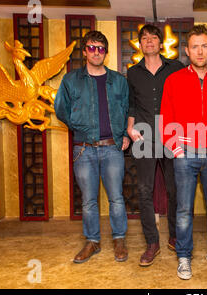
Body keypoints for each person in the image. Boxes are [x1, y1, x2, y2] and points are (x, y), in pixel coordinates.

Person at [159, 24, 207, 280]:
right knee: (184, 209)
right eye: (195, 46)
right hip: (185, 154)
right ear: (187, 50)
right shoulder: (174, 80)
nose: (200, 51)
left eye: (205, 45)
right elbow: (166, 117)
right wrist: (177, 149)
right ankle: (184, 256)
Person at [54, 30, 130, 264]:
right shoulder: (71, 80)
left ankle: (119, 239)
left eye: (100, 48)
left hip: (112, 148)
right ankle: (92, 241)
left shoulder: (118, 80)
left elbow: (128, 109)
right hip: (84, 148)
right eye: (91, 48)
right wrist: (80, 125)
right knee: (89, 199)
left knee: (116, 197)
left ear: (105, 52)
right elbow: (61, 109)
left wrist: (124, 134)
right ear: (85, 51)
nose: (96, 52)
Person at [126, 24, 184, 267]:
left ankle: (174, 235)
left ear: (161, 43)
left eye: (153, 37)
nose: (149, 41)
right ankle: (152, 242)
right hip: (144, 137)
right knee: (144, 190)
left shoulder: (177, 68)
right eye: (144, 38)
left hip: (172, 136)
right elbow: (131, 104)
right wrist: (129, 128)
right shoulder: (133, 73)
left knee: (174, 190)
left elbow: (185, 100)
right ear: (140, 44)